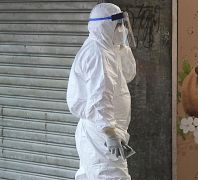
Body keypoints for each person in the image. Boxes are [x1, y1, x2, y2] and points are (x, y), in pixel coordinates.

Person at [66, 3, 136, 180]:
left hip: (101, 129)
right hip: (102, 132)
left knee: (92, 175)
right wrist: (110, 133)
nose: (122, 29)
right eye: (118, 25)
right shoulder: (99, 53)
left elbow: (128, 74)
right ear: (105, 26)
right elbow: (100, 96)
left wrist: (123, 47)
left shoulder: (109, 48)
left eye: (122, 24)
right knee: (112, 176)